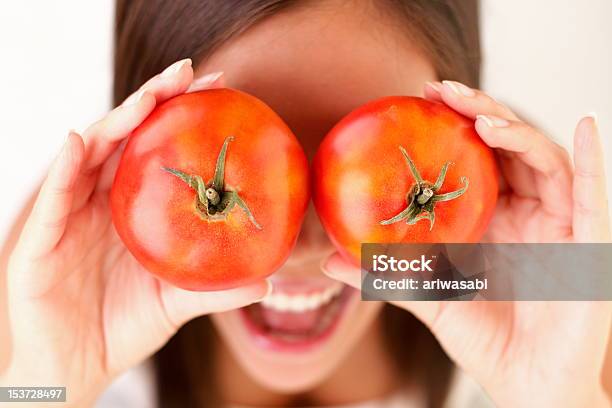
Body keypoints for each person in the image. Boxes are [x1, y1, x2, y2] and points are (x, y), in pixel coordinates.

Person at [1, 0, 610, 406]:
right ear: (140, 136)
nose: (300, 242)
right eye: (247, 153)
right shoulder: (40, 314)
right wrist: (51, 383)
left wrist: (559, 395)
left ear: (472, 134)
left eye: (367, 171)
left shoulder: (560, 320)